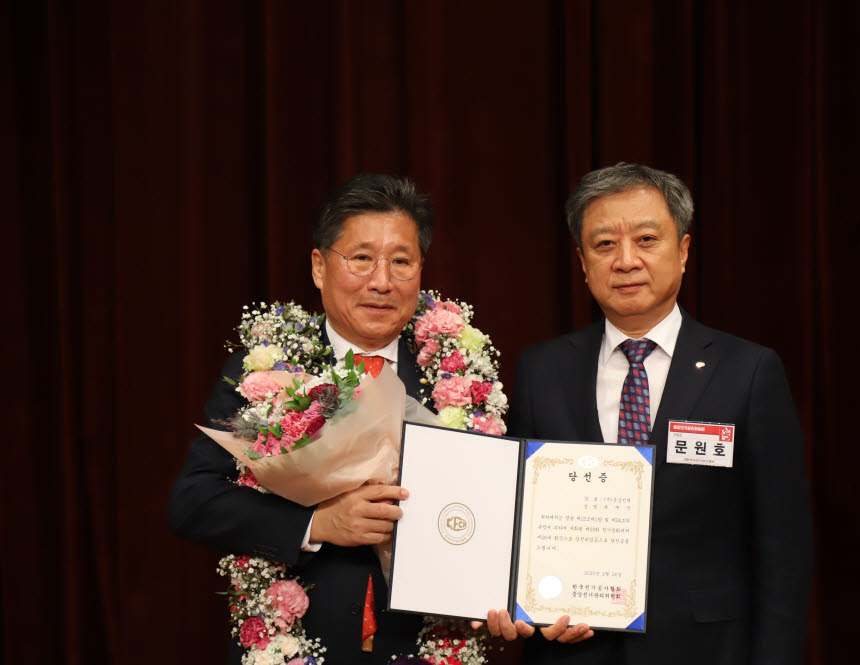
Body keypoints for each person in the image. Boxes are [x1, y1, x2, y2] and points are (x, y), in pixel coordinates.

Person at [483, 163, 813, 664]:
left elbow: (784, 548)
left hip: (705, 649)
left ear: (682, 251)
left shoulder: (748, 370)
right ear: (582, 261)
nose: (626, 260)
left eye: (646, 238)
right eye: (604, 245)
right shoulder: (541, 367)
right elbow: (516, 520)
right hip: (571, 650)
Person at [168, 173, 434, 664]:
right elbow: (193, 501)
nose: (382, 280)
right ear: (318, 266)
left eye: (401, 261)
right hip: (301, 642)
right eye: (360, 259)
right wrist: (318, 522)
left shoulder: (451, 376)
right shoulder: (267, 371)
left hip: (422, 645)